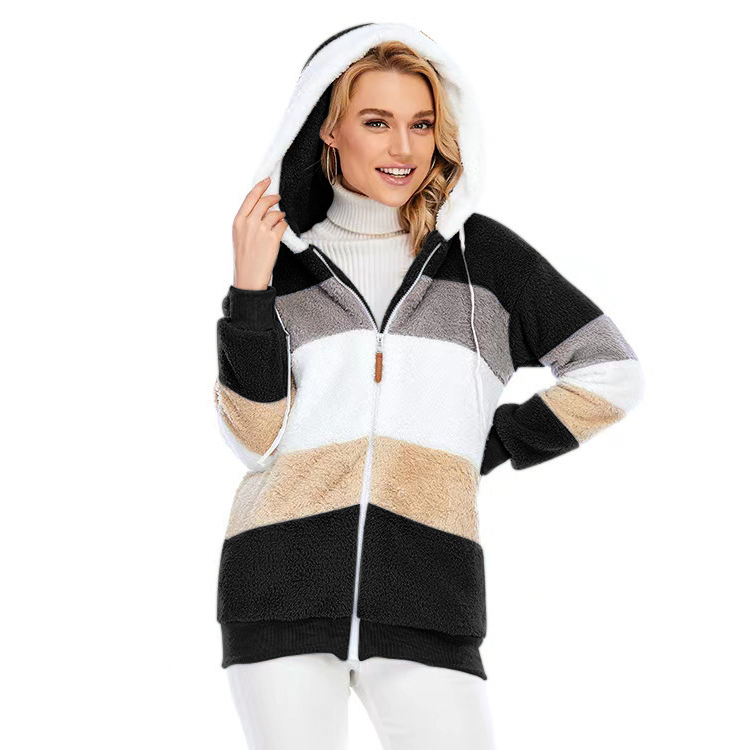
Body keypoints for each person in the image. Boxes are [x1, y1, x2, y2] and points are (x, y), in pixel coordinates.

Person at [214, 22, 645, 750]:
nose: (404, 148)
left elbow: (611, 368)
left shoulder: (484, 263)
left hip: (429, 593)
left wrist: (489, 445)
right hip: (277, 589)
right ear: (328, 130)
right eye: (376, 122)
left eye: (420, 124)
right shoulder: (282, 269)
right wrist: (249, 293)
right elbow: (254, 441)